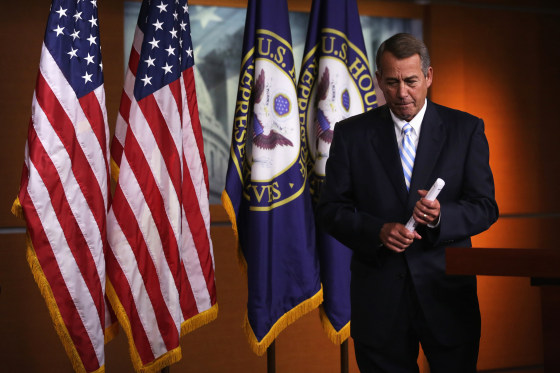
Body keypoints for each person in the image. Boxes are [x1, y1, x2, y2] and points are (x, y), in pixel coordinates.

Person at [316, 33, 499, 372]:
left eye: (411, 81)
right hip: (379, 302)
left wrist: (442, 216)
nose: (402, 93)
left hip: (447, 297)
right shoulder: (351, 134)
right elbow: (330, 211)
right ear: (378, 81)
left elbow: (485, 207)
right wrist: (377, 230)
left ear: (429, 76)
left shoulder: (466, 129)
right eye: (392, 82)